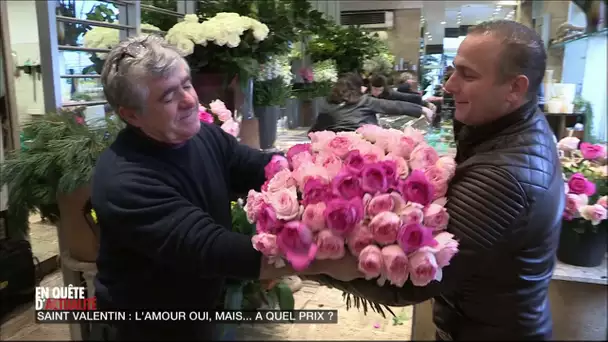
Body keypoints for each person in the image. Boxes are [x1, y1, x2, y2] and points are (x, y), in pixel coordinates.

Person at [312, 20, 565, 340]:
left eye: (468, 75)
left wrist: (304, 260)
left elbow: (411, 281)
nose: (449, 85)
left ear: (515, 88)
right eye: (453, 70)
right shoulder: (518, 129)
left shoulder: (502, 178)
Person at [91, 35, 344, 340]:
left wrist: (329, 167)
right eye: (168, 96)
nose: (189, 100)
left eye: (186, 84)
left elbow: (260, 167)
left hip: (196, 309)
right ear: (131, 114)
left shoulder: (202, 137)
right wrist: (333, 261)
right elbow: (212, 249)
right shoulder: (126, 181)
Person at [309, 73, 433, 133]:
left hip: (336, 147)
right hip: (366, 144)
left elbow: (314, 131)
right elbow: (394, 106)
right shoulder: (365, 100)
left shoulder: (327, 105)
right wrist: (422, 109)